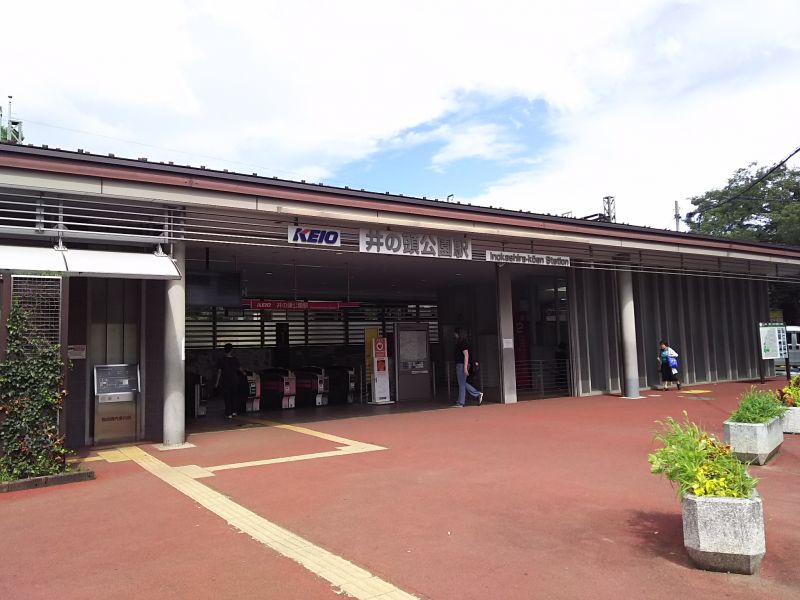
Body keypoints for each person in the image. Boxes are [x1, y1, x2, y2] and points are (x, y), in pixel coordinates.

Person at [453, 328, 483, 407]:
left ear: (458, 334)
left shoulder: (462, 343)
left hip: (462, 365)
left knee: (461, 384)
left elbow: (466, 355)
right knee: (462, 383)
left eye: (455, 333)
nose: (454, 335)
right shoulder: (463, 342)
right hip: (461, 365)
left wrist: (465, 368)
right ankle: (477, 394)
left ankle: (461, 402)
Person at [215, 343, 245, 418]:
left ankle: (228, 413)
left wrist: (217, 383)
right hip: (234, 380)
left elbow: (219, 372)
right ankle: (234, 411)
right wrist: (244, 373)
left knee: (227, 397)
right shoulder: (235, 359)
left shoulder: (221, 360)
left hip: (225, 381)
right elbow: (240, 369)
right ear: (232, 350)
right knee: (234, 396)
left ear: (224, 350)